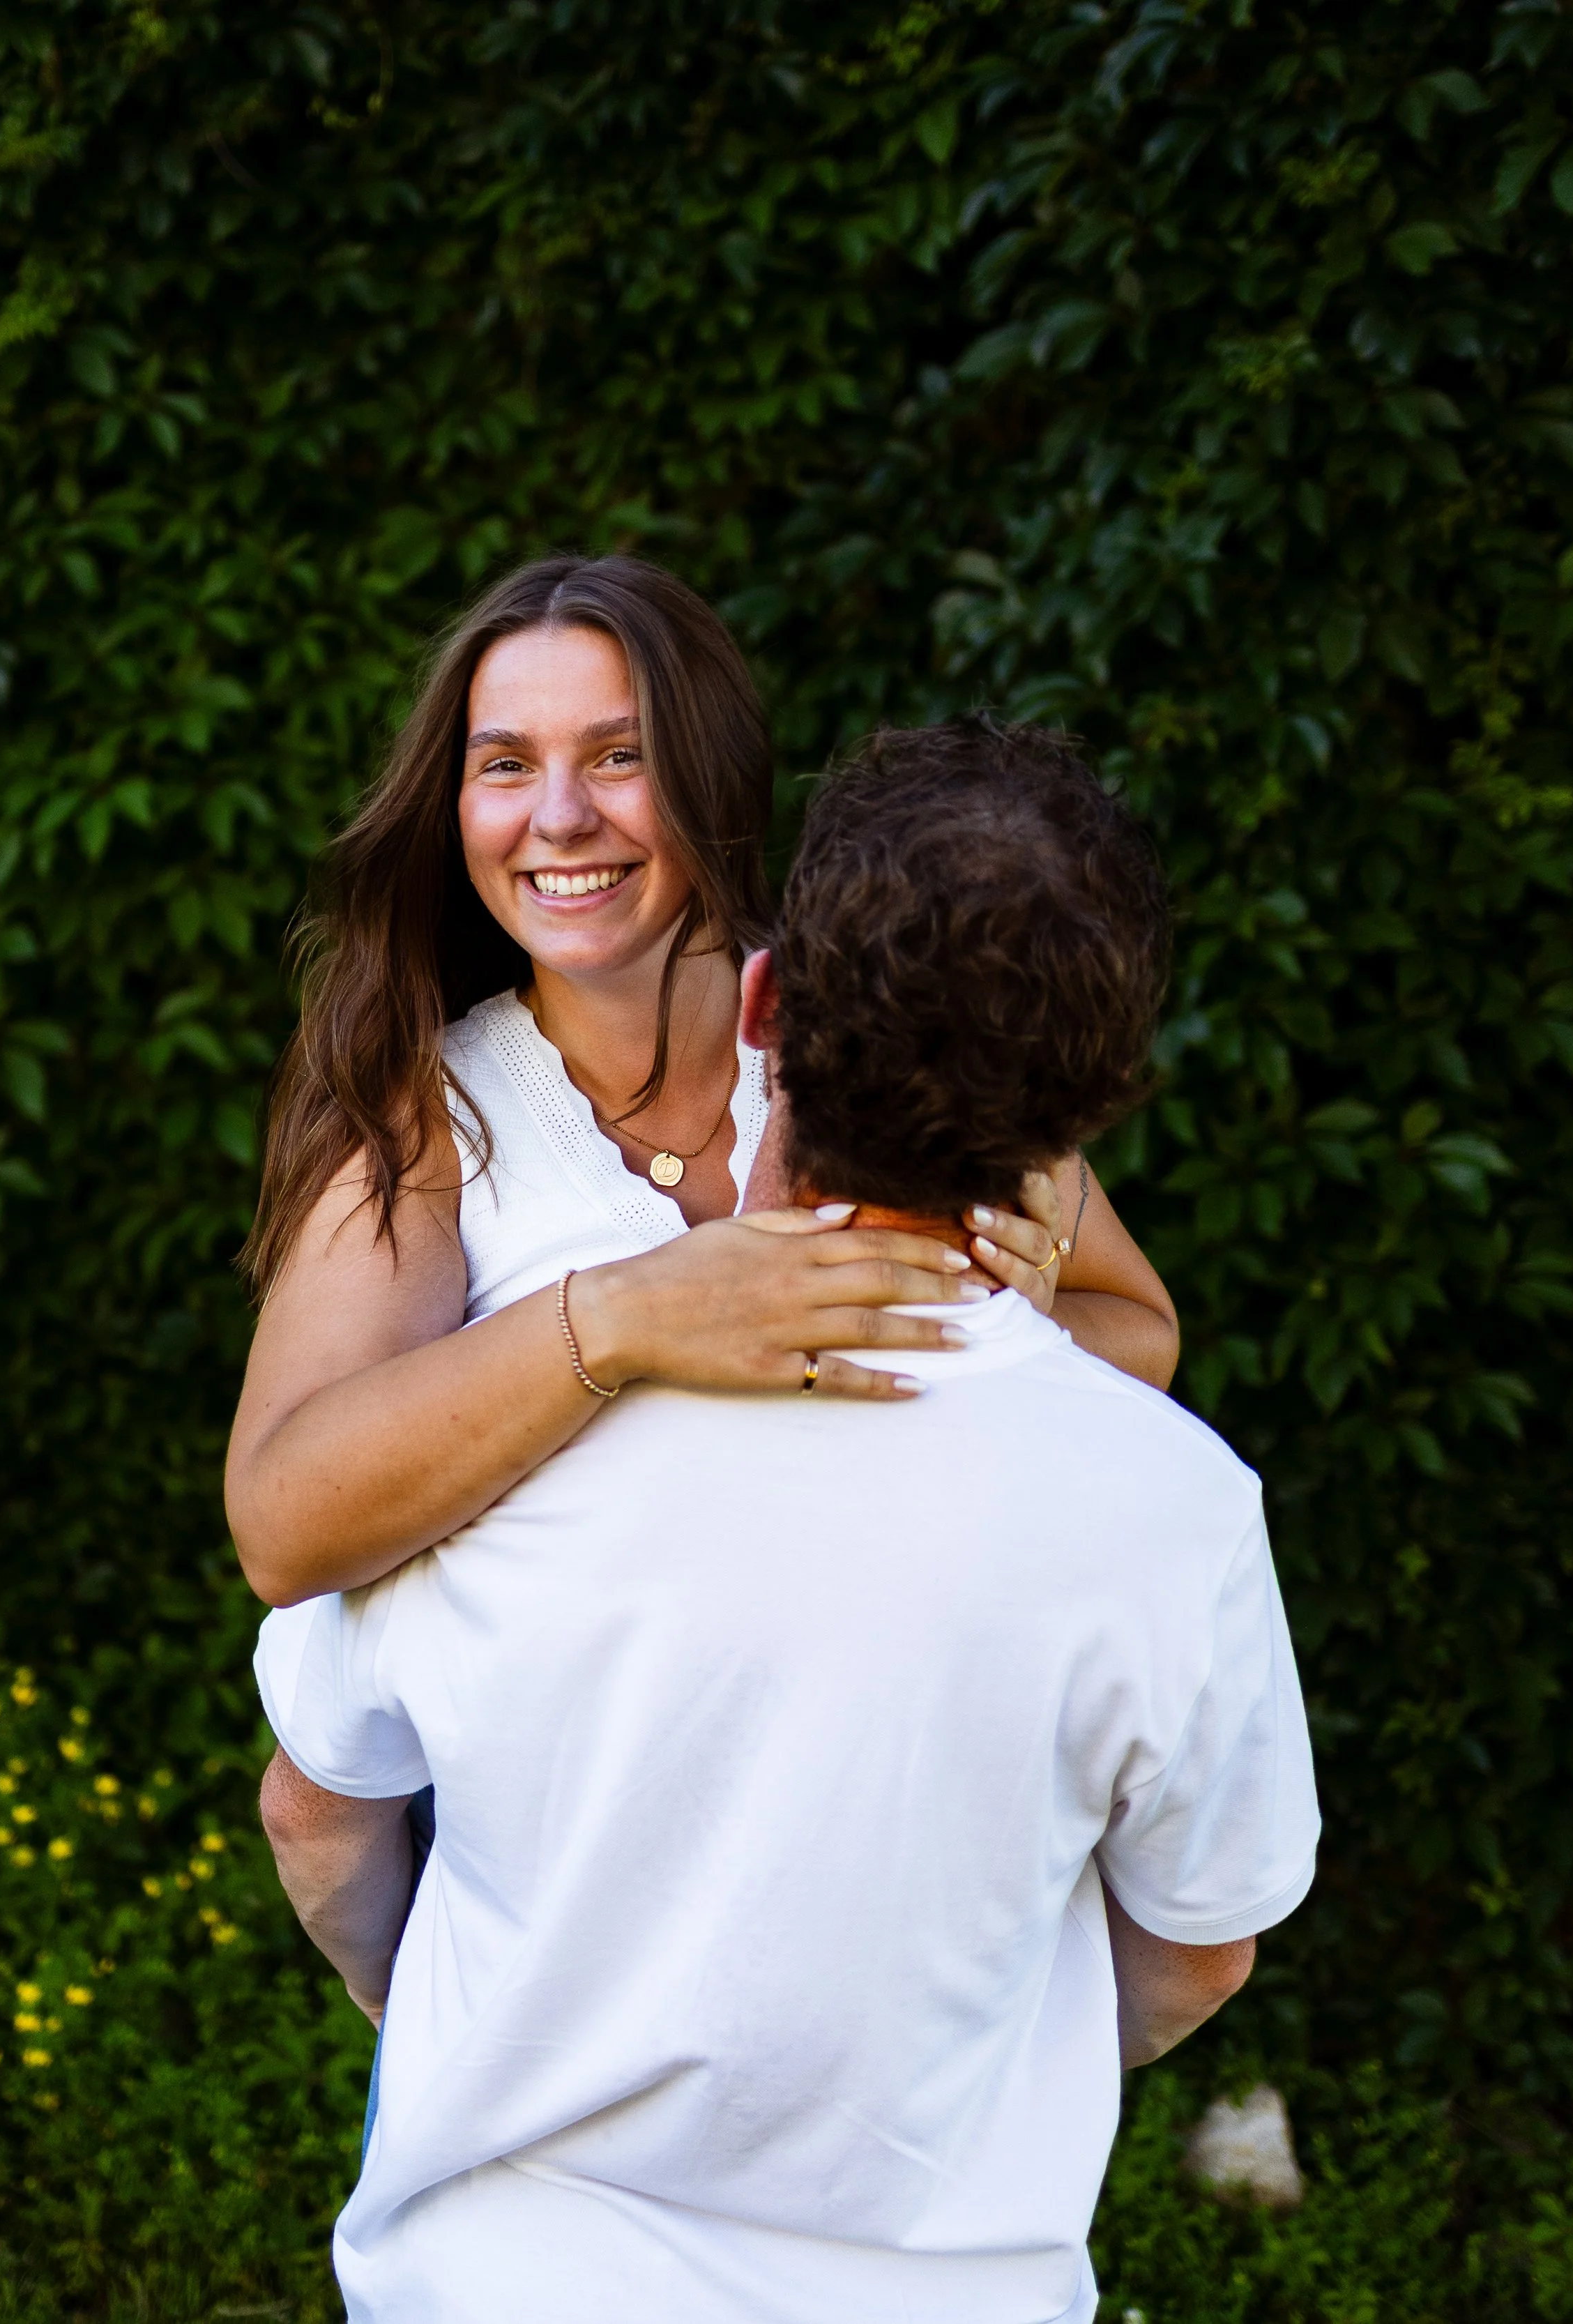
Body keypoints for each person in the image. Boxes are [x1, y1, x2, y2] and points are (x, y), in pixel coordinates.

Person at [255, 717, 1321, 2324]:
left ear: (762, 1009)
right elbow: (1200, 1951)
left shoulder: (493, 1434)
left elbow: (316, 1813)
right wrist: (938, 2074)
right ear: (1080, 1115)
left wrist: (483, 2029)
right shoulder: (1176, 1508)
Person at [225, 556, 1178, 1612]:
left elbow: (1144, 1336)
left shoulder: (881, 1010)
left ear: (712, 773)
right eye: (504, 765)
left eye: (618, 755)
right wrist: (618, 1319)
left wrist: (1015, 1332)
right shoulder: (428, 1114)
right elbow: (283, 1528)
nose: (559, 815)